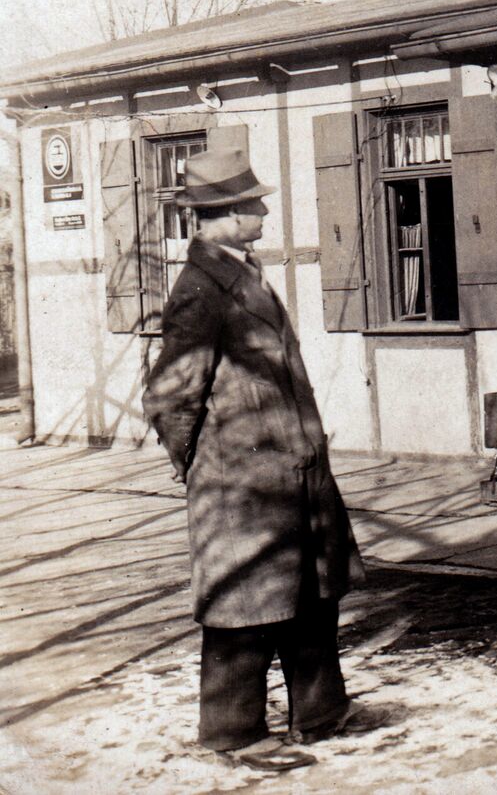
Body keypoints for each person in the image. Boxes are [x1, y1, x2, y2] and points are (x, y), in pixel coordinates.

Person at [141, 149, 383, 773]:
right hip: (243, 485)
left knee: (311, 597)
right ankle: (233, 733)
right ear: (224, 214)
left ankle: (321, 714)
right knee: (244, 609)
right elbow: (170, 396)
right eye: (254, 205)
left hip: (291, 473)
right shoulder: (201, 289)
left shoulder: (241, 272)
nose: (265, 214)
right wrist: (205, 467)